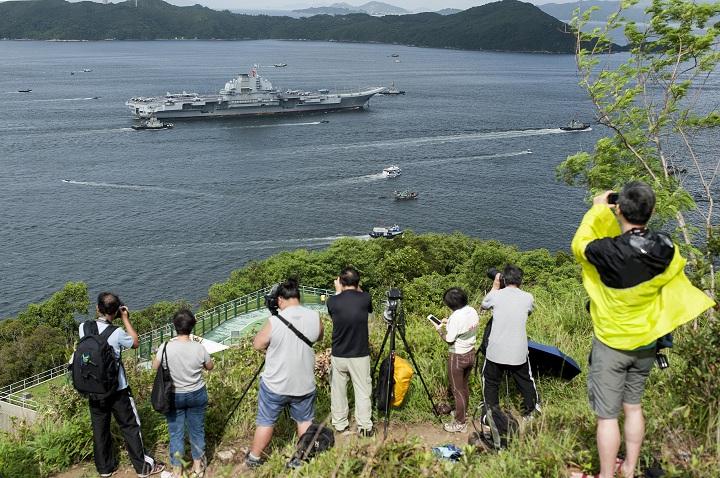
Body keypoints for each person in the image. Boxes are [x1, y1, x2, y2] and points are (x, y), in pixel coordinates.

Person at [571, 182, 715, 478]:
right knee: (633, 408)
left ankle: (607, 475)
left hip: (611, 344)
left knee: (607, 417)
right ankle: (630, 469)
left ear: (619, 209)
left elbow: (579, 244)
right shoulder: (666, 247)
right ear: (650, 212)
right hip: (647, 343)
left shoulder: (605, 251)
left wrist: (598, 209)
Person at [80, 292, 164, 478]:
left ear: (97, 308)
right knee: (130, 426)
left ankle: (104, 469)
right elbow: (135, 342)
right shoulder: (117, 333)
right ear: (116, 311)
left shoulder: (83, 327)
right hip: (118, 390)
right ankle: (142, 468)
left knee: (100, 429)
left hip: (93, 390)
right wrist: (125, 318)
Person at [245, 278, 324, 468]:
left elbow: (257, 344)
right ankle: (302, 458)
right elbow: (319, 337)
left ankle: (254, 459)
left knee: (266, 421)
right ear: (298, 296)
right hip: (304, 382)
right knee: (305, 420)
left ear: (280, 299)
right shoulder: (314, 316)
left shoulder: (275, 321)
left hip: (276, 384)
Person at [152, 310, 214, 478]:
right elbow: (210, 366)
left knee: (176, 432)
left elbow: (154, 366)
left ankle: (177, 471)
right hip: (196, 393)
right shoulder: (199, 347)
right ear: (192, 326)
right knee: (197, 430)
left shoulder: (165, 347)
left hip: (174, 395)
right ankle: (198, 467)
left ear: (175, 326)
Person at [480, 265, 540, 420]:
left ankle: (491, 414)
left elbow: (484, 305)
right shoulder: (528, 297)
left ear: (503, 279)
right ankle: (531, 411)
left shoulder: (496, 296)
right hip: (518, 350)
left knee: (491, 382)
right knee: (526, 380)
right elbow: (529, 311)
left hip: (496, 350)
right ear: (520, 281)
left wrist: (495, 286)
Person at [327, 267, 374, 436]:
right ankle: (364, 427)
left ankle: (340, 425)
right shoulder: (365, 298)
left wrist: (338, 291)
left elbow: (335, 315)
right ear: (358, 282)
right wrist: (355, 286)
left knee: (338, 391)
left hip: (339, 353)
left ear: (340, 281)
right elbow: (364, 302)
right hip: (360, 354)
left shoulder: (332, 301)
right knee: (362, 391)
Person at [434, 287, 479, 433]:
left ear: (450, 305)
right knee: (464, 386)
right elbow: (464, 327)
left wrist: (440, 330)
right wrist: (449, 322)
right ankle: (463, 413)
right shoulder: (472, 310)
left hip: (458, 356)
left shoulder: (456, 317)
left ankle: (460, 423)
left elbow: (449, 340)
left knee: (457, 390)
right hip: (471, 353)